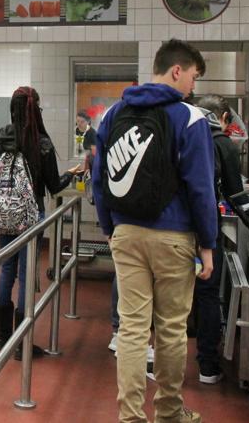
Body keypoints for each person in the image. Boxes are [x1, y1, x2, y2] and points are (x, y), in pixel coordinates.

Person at [92, 39, 216, 423]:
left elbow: (100, 177)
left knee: (131, 330)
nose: (193, 85)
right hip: (174, 236)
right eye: (193, 76)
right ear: (177, 70)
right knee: (171, 330)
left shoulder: (114, 113)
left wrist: (110, 226)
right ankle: (168, 413)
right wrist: (208, 243)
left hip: (126, 232)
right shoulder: (190, 118)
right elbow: (201, 187)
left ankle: (130, 417)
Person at [0, 86, 80, 360]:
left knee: (7, 270)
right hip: (30, 216)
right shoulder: (41, 142)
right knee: (26, 274)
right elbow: (53, 185)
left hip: (4, 215)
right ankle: (21, 341)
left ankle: (1, 337)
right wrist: (72, 174)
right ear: (35, 108)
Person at [193, 94, 245, 385]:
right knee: (208, 294)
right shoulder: (223, 143)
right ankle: (208, 366)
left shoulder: (180, 138)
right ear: (223, 117)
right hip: (206, 229)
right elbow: (236, 194)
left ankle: (158, 364)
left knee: (170, 297)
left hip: (174, 226)